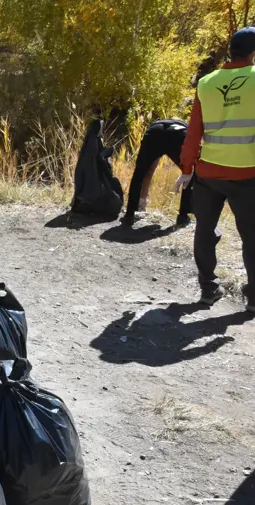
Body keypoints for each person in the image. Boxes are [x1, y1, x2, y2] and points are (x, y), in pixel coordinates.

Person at [178, 27, 255, 311]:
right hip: (247, 173)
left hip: (208, 173)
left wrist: (187, 168)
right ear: (253, 53)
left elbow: (193, 131)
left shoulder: (207, 82)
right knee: (252, 238)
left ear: (230, 51)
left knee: (204, 230)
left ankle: (208, 290)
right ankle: (254, 300)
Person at [122, 119, 193, 226]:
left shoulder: (156, 124)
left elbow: (149, 170)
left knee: (140, 173)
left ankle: (130, 213)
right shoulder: (186, 126)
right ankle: (183, 216)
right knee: (189, 173)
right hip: (178, 136)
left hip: (154, 133)